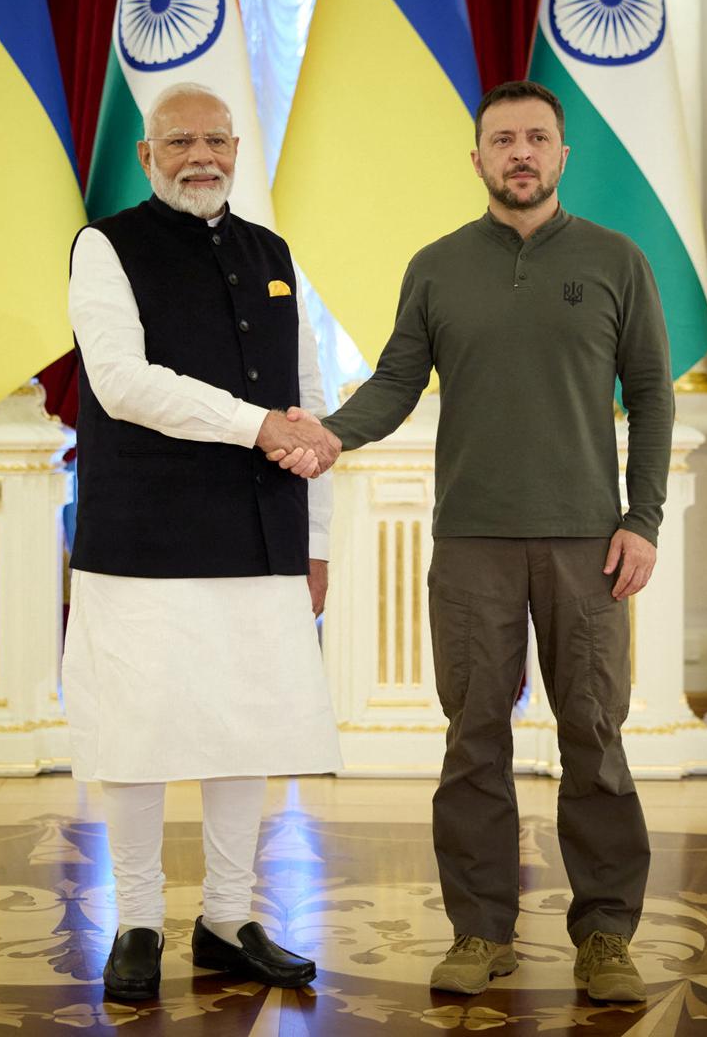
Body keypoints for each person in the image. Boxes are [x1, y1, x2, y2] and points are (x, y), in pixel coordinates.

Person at [276, 80, 673, 1003]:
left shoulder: (618, 261)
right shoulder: (439, 266)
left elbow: (652, 398)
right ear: (479, 158)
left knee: (596, 740)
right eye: (504, 140)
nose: (521, 153)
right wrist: (330, 431)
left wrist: (641, 520)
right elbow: (395, 382)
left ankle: (606, 934)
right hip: (471, 546)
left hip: (590, 548)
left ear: (563, 155)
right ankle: (478, 931)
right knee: (473, 743)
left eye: (538, 137)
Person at [62, 81, 341, 1003]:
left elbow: (306, 401)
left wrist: (320, 537)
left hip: (264, 533)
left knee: (244, 727)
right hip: (140, 533)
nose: (202, 157)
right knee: (137, 736)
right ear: (147, 156)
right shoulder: (106, 246)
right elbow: (123, 383)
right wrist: (257, 424)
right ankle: (136, 919)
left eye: (217, 141)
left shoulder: (270, 252)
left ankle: (227, 918)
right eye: (180, 141)